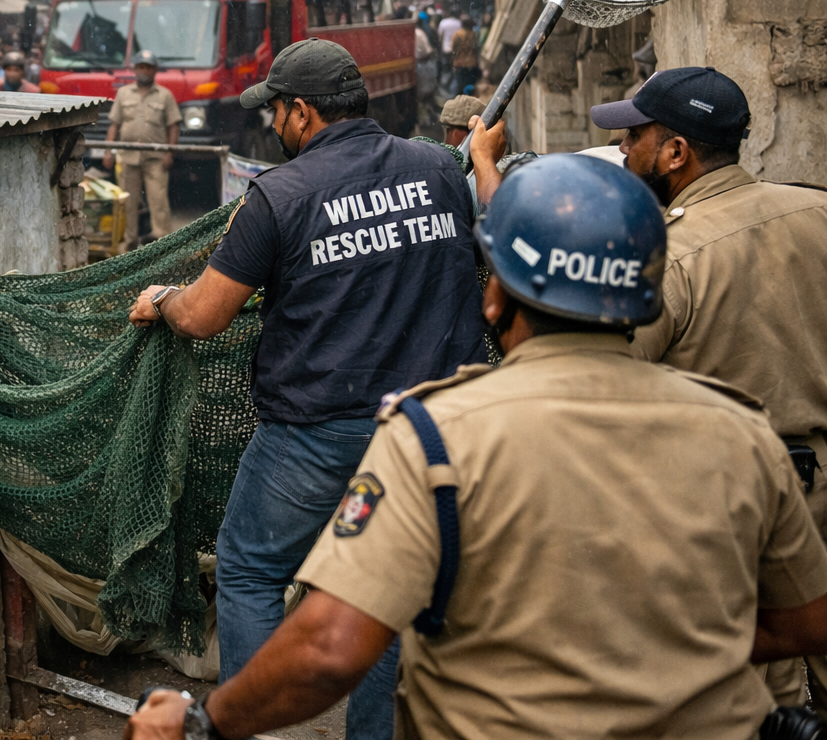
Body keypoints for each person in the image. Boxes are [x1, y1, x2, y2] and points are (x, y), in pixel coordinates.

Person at [126, 154, 827, 740]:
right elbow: (805, 619)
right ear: (646, 296)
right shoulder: (746, 433)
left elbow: (330, 649)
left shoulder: (434, 438)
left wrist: (205, 722)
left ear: (495, 300)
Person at [127, 39, 487, 740]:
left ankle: (237, 727)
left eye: (278, 113)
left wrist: (163, 298)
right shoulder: (438, 168)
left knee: (254, 570)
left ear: (301, 112)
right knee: (382, 589)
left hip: (316, 434)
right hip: (433, 433)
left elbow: (204, 314)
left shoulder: (279, 195)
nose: (273, 127)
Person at [592, 65, 827, 703]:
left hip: (733, 515)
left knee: (754, 701)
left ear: (675, 152)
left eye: (633, 136)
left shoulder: (667, 257)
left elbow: (602, 385)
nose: (621, 149)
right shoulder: (817, 210)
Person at [104, 52, 182, 250]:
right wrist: (108, 151)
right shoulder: (123, 94)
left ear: (154, 70)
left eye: (148, 67)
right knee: (128, 204)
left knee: (158, 201)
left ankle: (162, 245)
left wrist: (169, 152)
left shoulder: (165, 95)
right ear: (135, 69)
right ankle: (129, 244)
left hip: (155, 158)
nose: (144, 71)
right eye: (141, 67)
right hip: (128, 158)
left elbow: (173, 126)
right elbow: (115, 124)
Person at [448, 16, 479, 96]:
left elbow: (453, 49)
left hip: (459, 63)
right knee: (470, 85)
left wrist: (453, 60)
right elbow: (476, 49)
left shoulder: (457, 34)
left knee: (459, 84)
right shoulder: (473, 34)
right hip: (471, 63)